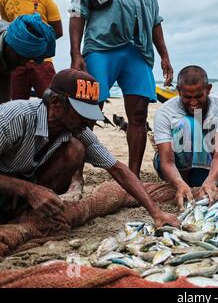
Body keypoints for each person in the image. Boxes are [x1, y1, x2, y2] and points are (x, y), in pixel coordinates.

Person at [0, 69, 179, 228]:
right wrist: (29, 190)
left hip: (21, 191)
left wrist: (156, 213)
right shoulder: (13, 118)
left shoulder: (77, 129)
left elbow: (118, 169)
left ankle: (27, 213)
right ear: (55, 103)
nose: (88, 121)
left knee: (75, 149)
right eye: (82, 113)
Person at [69, 0, 173, 179]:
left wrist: (164, 56)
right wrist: (75, 53)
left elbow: (155, 20)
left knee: (139, 115)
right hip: (100, 47)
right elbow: (77, 10)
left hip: (139, 50)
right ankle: (76, 176)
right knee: (87, 114)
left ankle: (134, 176)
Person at [153, 66, 218, 209]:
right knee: (190, 124)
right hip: (176, 163)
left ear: (208, 89)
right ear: (179, 91)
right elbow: (167, 161)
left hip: (207, 158)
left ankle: (198, 182)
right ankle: (185, 186)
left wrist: (212, 181)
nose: (193, 103)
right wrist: (180, 184)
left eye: (199, 96)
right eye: (187, 97)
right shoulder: (165, 112)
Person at [0, 0, 63, 100]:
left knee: (52, 101)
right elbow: (7, 28)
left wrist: (33, 48)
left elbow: (57, 31)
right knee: (15, 104)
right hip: (13, 61)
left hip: (40, 60)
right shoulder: (4, 1)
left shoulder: (45, 0)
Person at [0, 13, 55, 103]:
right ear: (9, 45)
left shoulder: (16, 34)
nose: (23, 63)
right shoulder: (14, 37)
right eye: (20, 57)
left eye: (28, 59)